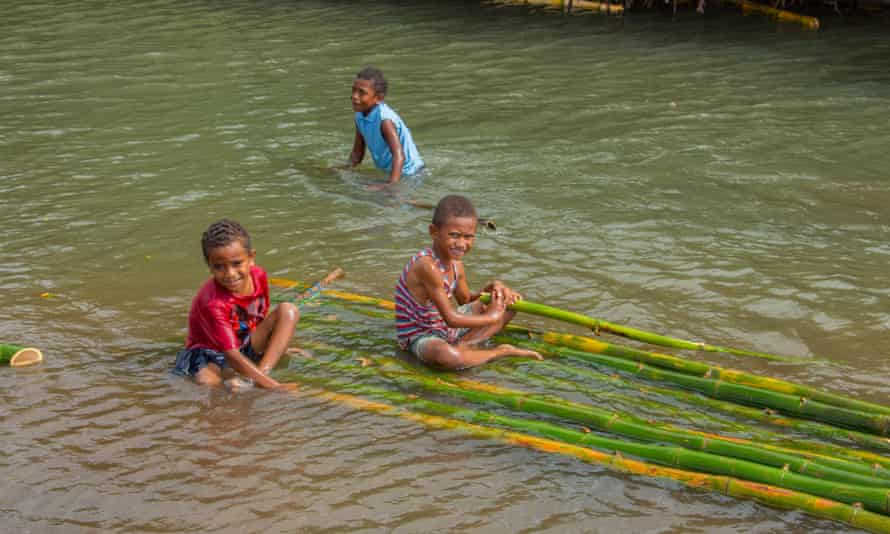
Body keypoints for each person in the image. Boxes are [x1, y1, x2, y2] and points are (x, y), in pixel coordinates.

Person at [394, 195, 542, 370]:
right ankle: (499, 352)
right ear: (434, 232)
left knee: (509, 302)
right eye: (454, 235)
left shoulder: (456, 264)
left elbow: (466, 300)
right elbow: (451, 319)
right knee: (446, 356)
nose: (461, 244)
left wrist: (493, 288)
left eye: (468, 237)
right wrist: (492, 316)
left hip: (443, 327)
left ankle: (465, 345)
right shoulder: (427, 266)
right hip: (422, 335)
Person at [173, 219, 298, 391]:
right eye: (219, 267)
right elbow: (231, 355)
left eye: (237, 263)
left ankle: (262, 374)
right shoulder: (213, 302)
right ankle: (250, 379)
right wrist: (274, 387)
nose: (230, 274)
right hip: (211, 351)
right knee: (208, 385)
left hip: (243, 340)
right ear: (209, 266)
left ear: (251, 257)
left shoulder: (259, 276)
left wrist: (276, 346)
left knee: (288, 310)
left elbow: (261, 317)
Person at [349, 67, 424, 191]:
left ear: (378, 98)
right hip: (391, 173)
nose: (354, 96)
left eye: (362, 92)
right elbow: (357, 153)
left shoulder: (385, 120)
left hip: (411, 174)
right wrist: (345, 169)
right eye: (353, 90)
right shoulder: (359, 115)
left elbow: (399, 155)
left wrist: (391, 186)